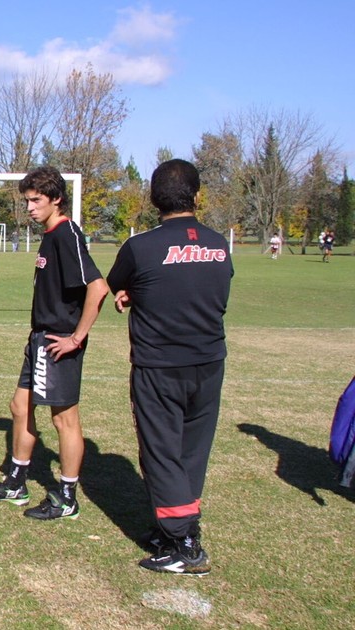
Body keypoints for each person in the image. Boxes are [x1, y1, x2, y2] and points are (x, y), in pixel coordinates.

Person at [106, 159, 232, 575]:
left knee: (161, 451)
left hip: (160, 364)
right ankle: (176, 526)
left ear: (153, 197)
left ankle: (184, 542)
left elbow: (116, 282)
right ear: (196, 195)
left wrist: (132, 293)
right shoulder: (219, 244)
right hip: (209, 363)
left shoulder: (140, 246)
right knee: (192, 451)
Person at [0, 166, 108, 521]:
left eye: (36, 200)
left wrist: (75, 338)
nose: (30, 208)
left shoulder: (66, 234)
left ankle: (66, 497)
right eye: (27, 201)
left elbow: (98, 288)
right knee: (20, 406)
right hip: (38, 339)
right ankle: (16, 482)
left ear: (56, 199)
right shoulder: (50, 234)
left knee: (64, 419)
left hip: (57, 340)